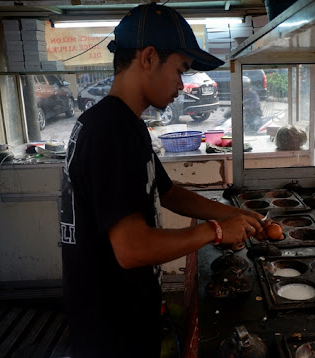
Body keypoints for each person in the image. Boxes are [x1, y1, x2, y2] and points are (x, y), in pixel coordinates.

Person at [59, 4, 267, 357]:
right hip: (112, 331)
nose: (182, 84)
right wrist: (214, 232)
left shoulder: (121, 123)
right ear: (149, 57)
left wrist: (230, 216)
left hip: (118, 315)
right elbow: (131, 249)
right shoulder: (113, 130)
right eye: (181, 69)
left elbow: (168, 192)